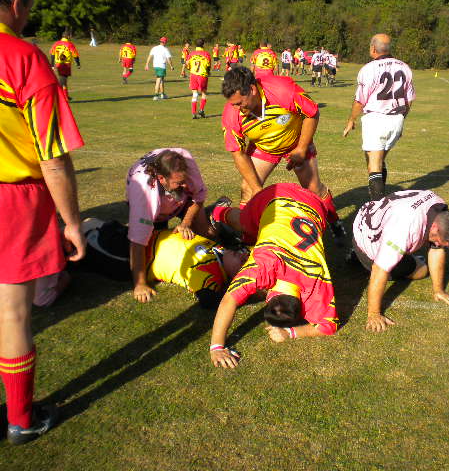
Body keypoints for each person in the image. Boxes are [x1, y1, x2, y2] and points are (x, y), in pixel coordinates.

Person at [0, 0, 86, 444]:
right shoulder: (22, 56)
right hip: (13, 198)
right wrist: (71, 222)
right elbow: (52, 157)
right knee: (12, 314)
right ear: (17, 1)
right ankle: (21, 419)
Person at [209, 183, 339, 368]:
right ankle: (219, 212)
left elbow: (329, 327)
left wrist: (290, 332)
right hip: (275, 197)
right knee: (245, 225)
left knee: (254, 233)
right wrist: (216, 347)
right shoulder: (263, 267)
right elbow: (229, 300)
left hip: (314, 205)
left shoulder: (316, 280)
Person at [220, 66, 346, 243]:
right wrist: (257, 189)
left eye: (239, 103)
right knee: (248, 189)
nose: (236, 108)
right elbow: (238, 154)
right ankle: (249, 239)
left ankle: (334, 221)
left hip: (296, 141)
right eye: (232, 104)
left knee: (314, 188)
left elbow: (312, 113)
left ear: (252, 90)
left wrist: (301, 149)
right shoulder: (231, 113)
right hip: (264, 147)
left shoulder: (282, 89)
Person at [38, 218, 249, 308]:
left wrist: (245, 291)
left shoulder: (210, 276)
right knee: (92, 225)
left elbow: (208, 301)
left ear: (235, 277)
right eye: (245, 255)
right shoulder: (222, 249)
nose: (242, 255)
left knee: (82, 242)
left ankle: (57, 270)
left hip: (131, 259)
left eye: (244, 263)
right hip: (142, 237)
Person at [350, 189, 449, 332]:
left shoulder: (438, 205)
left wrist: (439, 290)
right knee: (421, 270)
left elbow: (437, 249)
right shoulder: (403, 229)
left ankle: (367, 253)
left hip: (372, 214)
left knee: (408, 253)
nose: (438, 244)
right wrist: (373, 314)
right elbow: (379, 269)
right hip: (366, 237)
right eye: (439, 240)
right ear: (435, 227)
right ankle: (358, 255)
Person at [126, 148, 213, 303]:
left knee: (205, 232)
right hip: (153, 205)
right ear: (161, 178)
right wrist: (140, 284)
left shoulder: (186, 163)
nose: (185, 185)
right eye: (179, 183)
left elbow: (198, 198)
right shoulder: (144, 193)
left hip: (177, 199)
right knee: (154, 246)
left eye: (185, 180)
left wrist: (185, 223)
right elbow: (137, 242)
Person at [343, 34, 415, 201]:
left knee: (374, 164)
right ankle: (380, 198)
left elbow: (360, 100)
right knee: (378, 159)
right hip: (396, 118)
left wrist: (351, 120)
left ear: (373, 48)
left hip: (376, 119)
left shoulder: (369, 69)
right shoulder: (404, 67)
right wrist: (401, 119)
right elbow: (409, 100)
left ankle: (378, 206)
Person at [49, 30, 80, 100]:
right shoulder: (69, 44)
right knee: (62, 81)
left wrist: (52, 65)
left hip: (58, 64)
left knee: (63, 80)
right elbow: (75, 54)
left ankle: (66, 96)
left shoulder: (56, 44)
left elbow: (52, 54)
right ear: (68, 36)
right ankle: (57, 96)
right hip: (66, 64)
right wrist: (78, 64)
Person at [186, 38, 211, 119]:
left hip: (193, 75)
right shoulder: (206, 54)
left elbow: (187, 65)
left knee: (195, 93)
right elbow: (208, 66)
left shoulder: (191, 54)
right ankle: (201, 110)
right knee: (204, 93)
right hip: (203, 75)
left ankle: (194, 113)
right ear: (203, 44)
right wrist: (208, 72)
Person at [144, 36, 174, 100]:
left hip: (155, 65)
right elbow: (168, 59)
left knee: (161, 80)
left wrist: (147, 64)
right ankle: (156, 95)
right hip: (161, 66)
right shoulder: (165, 49)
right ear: (165, 42)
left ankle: (162, 94)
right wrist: (171, 66)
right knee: (158, 79)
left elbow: (150, 56)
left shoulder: (154, 48)